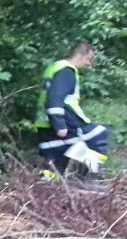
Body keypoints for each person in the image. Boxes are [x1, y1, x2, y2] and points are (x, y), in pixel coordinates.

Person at [37, 41, 110, 176]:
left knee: (55, 162)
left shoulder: (54, 67)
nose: (88, 63)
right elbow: (54, 98)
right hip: (64, 121)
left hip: (45, 123)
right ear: (79, 55)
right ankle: (88, 175)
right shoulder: (66, 71)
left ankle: (47, 184)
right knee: (98, 134)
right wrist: (59, 124)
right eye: (88, 58)